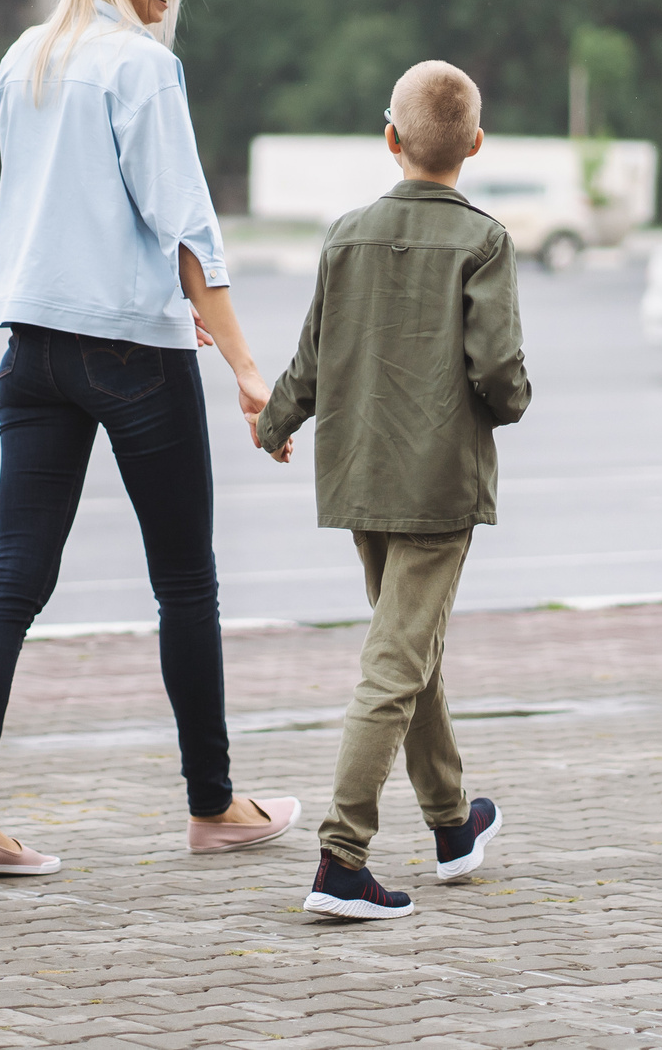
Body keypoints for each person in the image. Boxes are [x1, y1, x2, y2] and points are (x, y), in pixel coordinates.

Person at [0, 0, 299, 878]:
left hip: (31, 352)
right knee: (184, 582)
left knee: (15, 577)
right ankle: (214, 804)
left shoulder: (25, 58)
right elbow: (187, 229)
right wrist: (245, 364)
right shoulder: (142, 69)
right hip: (132, 352)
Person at [254, 60, 531, 921]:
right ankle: (342, 858)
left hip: (360, 474)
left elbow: (312, 352)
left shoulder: (345, 233)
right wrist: (511, 400)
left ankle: (453, 824)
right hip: (438, 482)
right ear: (475, 144)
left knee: (413, 650)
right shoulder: (483, 240)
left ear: (391, 137)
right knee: (396, 660)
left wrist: (277, 421)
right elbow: (497, 371)